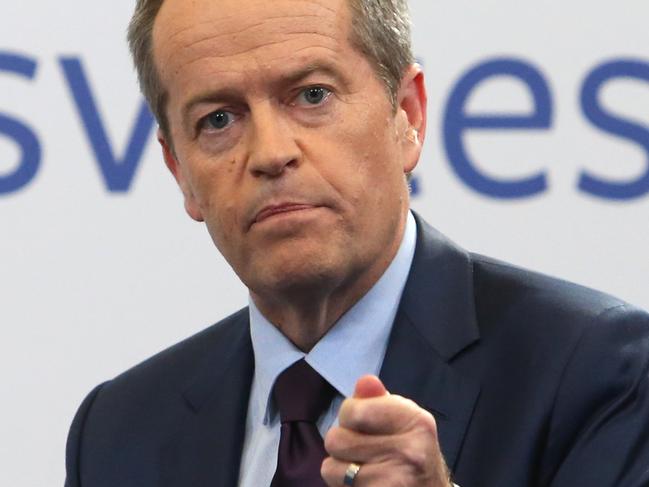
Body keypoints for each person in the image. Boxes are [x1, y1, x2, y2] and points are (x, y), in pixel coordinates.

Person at [65, 0, 649, 486]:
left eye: (312, 95)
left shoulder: (599, 373)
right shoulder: (117, 434)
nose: (271, 153)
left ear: (408, 116)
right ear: (180, 173)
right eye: (219, 119)